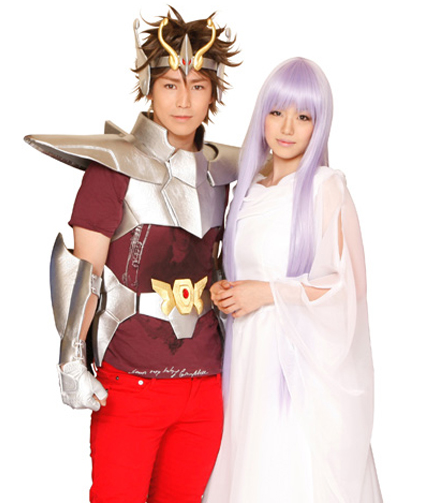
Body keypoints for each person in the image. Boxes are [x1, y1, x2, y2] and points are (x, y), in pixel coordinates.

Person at [24, 7, 239, 503]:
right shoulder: (111, 169)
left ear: (213, 92)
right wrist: (71, 360)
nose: (184, 100)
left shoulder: (225, 172)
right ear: (149, 86)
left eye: (198, 86)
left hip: (207, 385)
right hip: (131, 384)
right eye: (170, 85)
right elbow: (86, 272)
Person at [203, 58, 383, 502]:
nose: (287, 128)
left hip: (295, 371)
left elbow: (347, 287)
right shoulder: (245, 190)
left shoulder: (325, 186)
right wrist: (225, 289)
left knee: (285, 471)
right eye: (277, 112)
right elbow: (243, 271)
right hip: (246, 362)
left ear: (319, 126)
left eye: (303, 117)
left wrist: (267, 293)